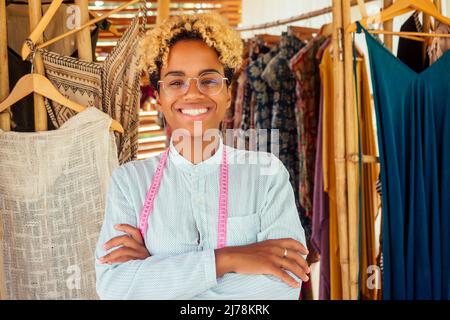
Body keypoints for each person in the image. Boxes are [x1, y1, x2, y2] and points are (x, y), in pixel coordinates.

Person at [94, 13, 310, 300]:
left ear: (228, 92)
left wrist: (153, 271)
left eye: (209, 81)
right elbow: (114, 289)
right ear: (159, 95)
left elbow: (283, 287)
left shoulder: (267, 175)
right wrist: (229, 259)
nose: (193, 94)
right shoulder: (130, 182)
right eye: (176, 82)